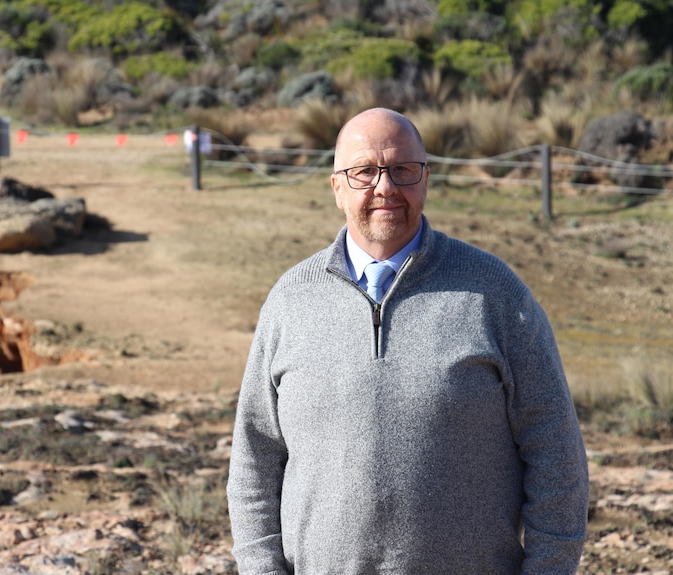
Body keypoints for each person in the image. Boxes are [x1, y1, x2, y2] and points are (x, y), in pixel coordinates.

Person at [226, 107, 589, 574]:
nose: (385, 187)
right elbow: (254, 461)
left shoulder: (495, 294)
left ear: (425, 178)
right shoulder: (290, 300)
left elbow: (556, 454)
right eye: (364, 172)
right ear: (337, 187)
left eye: (402, 169)